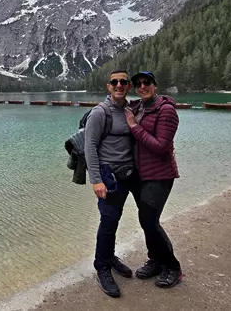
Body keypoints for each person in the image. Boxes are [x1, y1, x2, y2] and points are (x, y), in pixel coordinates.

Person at [123, 71, 184, 288]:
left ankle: (173, 267)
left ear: (155, 85)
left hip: (159, 175)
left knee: (149, 221)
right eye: (138, 84)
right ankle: (155, 260)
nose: (142, 86)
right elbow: (117, 103)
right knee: (146, 221)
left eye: (146, 83)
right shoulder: (138, 107)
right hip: (140, 175)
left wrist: (134, 127)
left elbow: (161, 146)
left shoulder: (166, 111)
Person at [83, 69, 136, 298]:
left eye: (123, 82)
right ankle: (102, 267)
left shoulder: (130, 109)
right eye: (114, 82)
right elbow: (89, 148)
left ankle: (110, 257)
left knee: (114, 219)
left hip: (128, 175)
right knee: (108, 221)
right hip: (108, 177)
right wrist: (96, 180)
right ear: (108, 86)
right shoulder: (99, 113)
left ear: (128, 86)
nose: (119, 85)